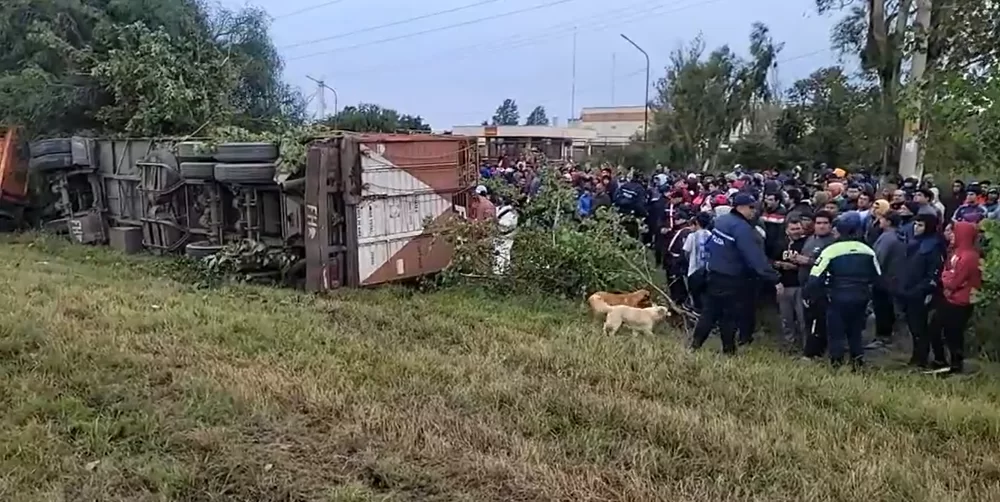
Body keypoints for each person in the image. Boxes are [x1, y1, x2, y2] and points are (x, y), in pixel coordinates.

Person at [690, 193, 780, 355]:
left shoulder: (721, 221)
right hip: (732, 279)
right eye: (751, 207)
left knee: (709, 313)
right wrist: (774, 279)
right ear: (740, 207)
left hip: (713, 274)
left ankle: (695, 345)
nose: (754, 211)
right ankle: (729, 351)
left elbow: (710, 244)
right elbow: (755, 258)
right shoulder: (742, 229)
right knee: (728, 317)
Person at [805, 212, 881, 368]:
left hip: (837, 297)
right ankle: (857, 363)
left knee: (836, 333)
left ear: (838, 230)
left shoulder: (831, 250)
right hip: (861, 297)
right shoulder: (867, 250)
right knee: (855, 333)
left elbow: (815, 276)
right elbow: (878, 276)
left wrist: (809, 296)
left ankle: (836, 365)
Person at [925, 221, 982, 375]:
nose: (950, 235)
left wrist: (947, 278)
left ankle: (956, 365)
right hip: (949, 298)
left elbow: (954, 280)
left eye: (954, 232)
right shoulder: (955, 252)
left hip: (960, 301)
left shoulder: (969, 256)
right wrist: (947, 277)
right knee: (935, 327)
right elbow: (946, 274)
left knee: (953, 333)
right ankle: (940, 360)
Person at [900, 213, 946, 368]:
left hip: (922, 293)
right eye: (915, 224)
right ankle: (916, 356)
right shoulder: (916, 242)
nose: (916, 228)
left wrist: (921, 290)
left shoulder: (933, 246)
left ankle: (922, 359)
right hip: (909, 290)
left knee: (920, 328)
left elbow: (934, 272)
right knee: (914, 328)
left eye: (920, 225)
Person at [797, 210, 837, 359]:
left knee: (819, 322)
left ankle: (815, 354)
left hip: (822, 289)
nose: (821, 226)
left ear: (831, 226)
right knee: (807, 321)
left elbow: (831, 264)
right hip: (805, 285)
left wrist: (808, 261)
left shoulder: (833, 242)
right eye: (819, 223)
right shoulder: (810, 239)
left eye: (825, 223)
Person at [868, 211, 907, 350]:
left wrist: (870, 274)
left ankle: (883, 338)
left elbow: (878, 258)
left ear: (889, 222)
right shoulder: (898, 235)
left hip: (883, 280)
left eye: (882, 219)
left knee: (882, 308)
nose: (880, 222)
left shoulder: (887, 238)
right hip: (892, 279)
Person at [774, 216, 808, 351]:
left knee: (803, 318)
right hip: (784, 285)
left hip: (800, 285)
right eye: (793, 229)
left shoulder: (806, 244)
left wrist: (796, 267)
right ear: (787, 230)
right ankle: (790, 344)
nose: (796, 232)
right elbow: (770, 261)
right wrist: (779, 264)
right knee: (786, 318)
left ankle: (807, 346)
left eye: (798, 228)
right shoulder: (780, 244)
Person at [683, 211, 713, 311]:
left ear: (697, 222)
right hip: (709, 271)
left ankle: (696, 315)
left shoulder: (692, 236)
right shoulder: (711, 235)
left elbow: (686, 252)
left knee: (696, 297)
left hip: (694, 270)